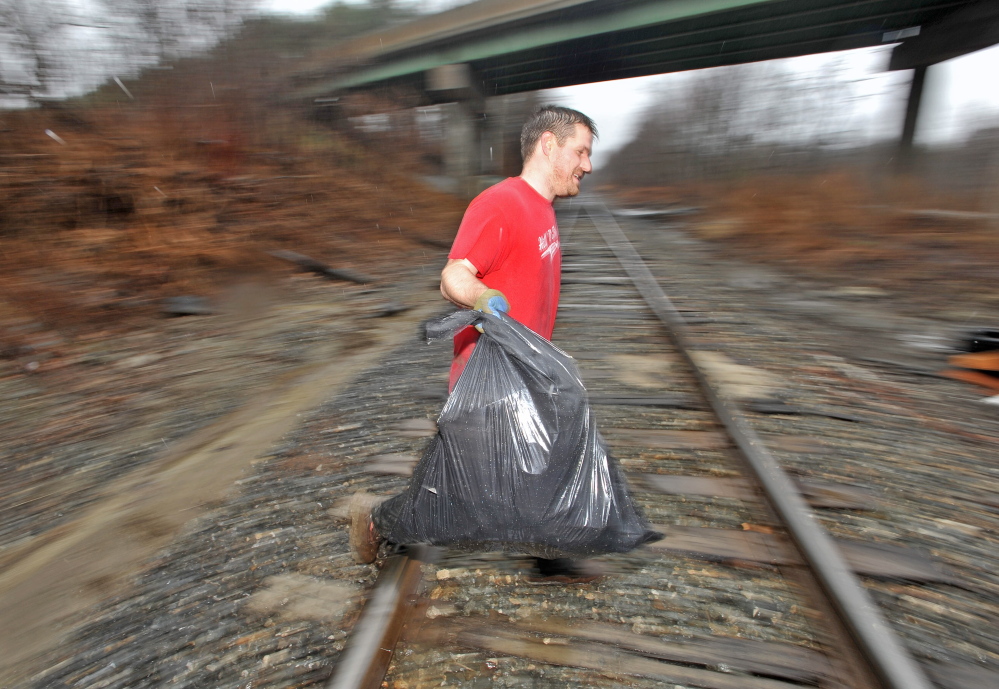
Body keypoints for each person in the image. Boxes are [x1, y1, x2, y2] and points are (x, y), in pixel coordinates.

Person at [350, 105, 600, 582]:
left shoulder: (541, 209)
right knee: (462, 500)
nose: (586, 165)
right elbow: (452, 276)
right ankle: (375, 520)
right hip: (488, 384)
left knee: (535, 465)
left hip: (525, 375)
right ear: (548, 145)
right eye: (580, 152)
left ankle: (550, 552)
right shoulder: (501, 204)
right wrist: (483, 295)